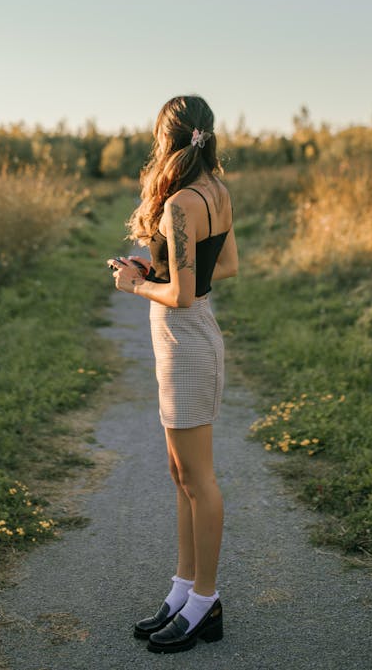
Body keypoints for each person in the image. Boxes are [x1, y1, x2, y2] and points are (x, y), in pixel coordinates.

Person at [108, 94, 238, 654]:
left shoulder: (182, 202)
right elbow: (224, 265)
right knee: (180, 474)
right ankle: (183, 587)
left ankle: (206, 602)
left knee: (198, 479)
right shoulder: (216, 191)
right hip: (188, 338)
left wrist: (135, 284)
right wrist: (152, 262)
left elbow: (182, 296)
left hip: (186, 341)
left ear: (169, 137)